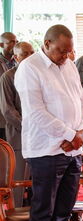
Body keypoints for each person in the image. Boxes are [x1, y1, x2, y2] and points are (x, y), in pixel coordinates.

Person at [15, 24, 83, 221]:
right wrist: (69, 133)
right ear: (47, 43)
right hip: (46, 151)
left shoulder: (69, 64)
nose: (66, 56)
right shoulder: (30, 68)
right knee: (43, 212)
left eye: (69, 51)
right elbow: (35, 112)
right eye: (61, 51)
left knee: (63, 211)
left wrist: (80, 131)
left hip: (73, 149)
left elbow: (82, 100)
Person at [0, 42, 34, 208]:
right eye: (25, 54)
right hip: (19, 135)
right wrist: (29, 128)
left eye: (32, 53)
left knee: (38, 183)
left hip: (40, 138)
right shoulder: (8, 77)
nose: (29, 57)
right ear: (16, 57)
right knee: (19, 182)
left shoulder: (38, 75)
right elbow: (8, 111)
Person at [0, 32, 17, 140]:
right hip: (2, 117)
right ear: (1, 45)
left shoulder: (18, 63)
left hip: (16, 116)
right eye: (11, 42)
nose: (15, 45)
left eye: (16, 42)